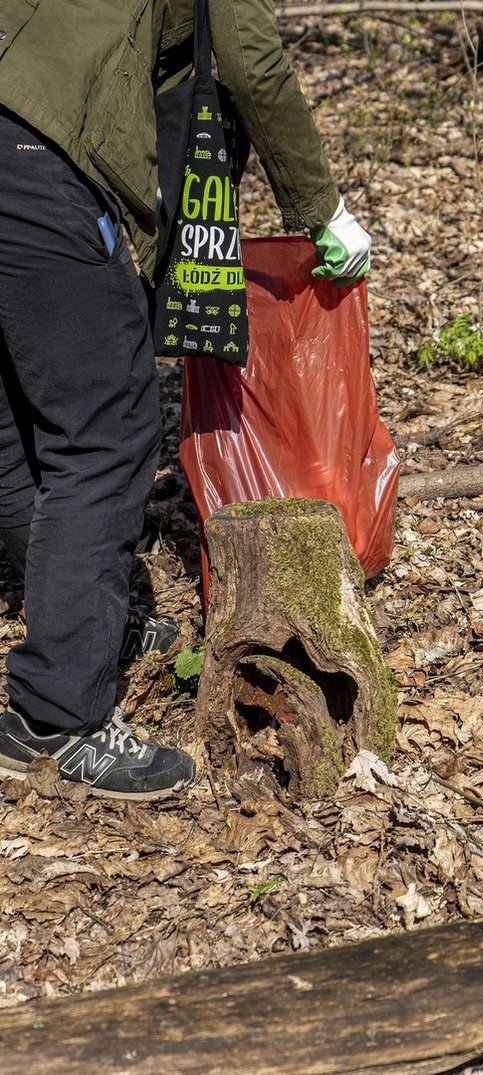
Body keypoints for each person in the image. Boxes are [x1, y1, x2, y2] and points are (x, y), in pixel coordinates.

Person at [0, 0, 371, 799]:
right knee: (106, 432)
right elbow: (252, 56)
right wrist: (322, 209)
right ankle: (56, 716)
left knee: (18, 405)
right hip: (38, 151)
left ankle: (73, 622)